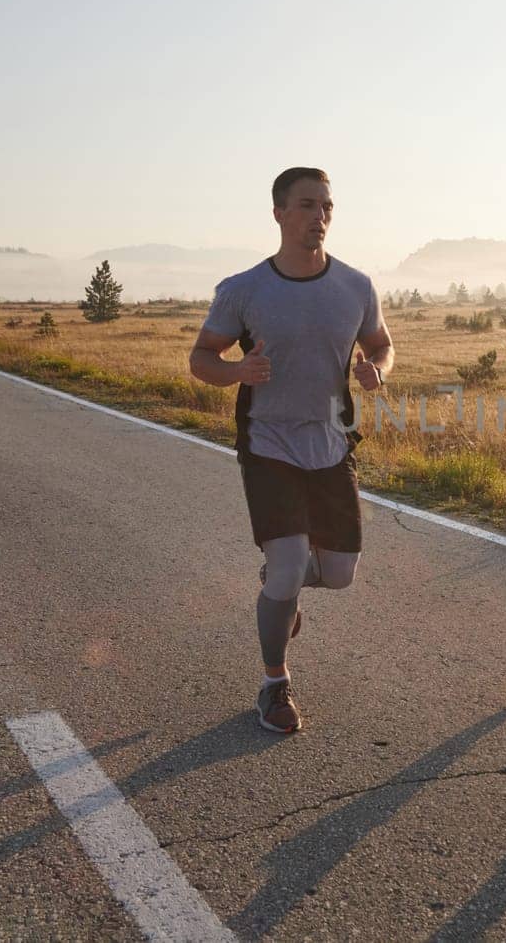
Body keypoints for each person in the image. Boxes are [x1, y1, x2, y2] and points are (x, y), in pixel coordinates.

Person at [189, 167, 393, 734]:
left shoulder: (355, 286)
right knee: (285, 569)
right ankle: (274, 683)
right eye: (307, 205)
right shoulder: (244, 289)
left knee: (341, 573)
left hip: (330, 443)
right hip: (268, 442)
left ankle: (280, 597)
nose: (319, 217)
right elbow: (201, 358)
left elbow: (382, 344)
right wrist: (236, 370)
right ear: (279, 213)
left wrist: (377, 369)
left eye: (327, 207)